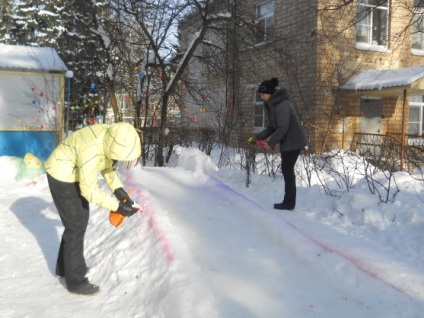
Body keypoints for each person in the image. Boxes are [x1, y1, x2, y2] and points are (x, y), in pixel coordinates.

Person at [45, 122, 142, 295]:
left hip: (75, 172)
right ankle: (75, 281)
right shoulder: (91, 148)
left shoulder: (111, 137)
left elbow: (108, 167)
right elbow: (89, 190)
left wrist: (121, 194)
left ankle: (65, 268)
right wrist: (118, 207)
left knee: (80, 220)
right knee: (75, 224)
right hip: (60, 173)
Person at [253, 77, 306, 210]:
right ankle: (289, 202)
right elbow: (272, 127)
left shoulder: (282, 105)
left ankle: (289, 203)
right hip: (287, 140)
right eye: (260, 94)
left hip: (294, 140)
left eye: (263, 94)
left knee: (287, 170)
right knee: (287, 170)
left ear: (270, 93)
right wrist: (257, 137)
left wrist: (270, 143)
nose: (261, 97)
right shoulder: (272, 105)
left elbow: (283, 127)